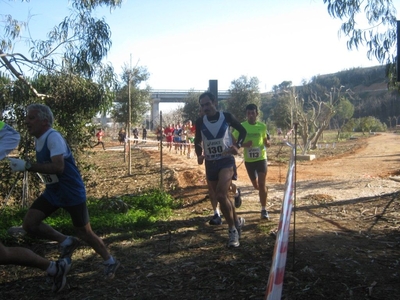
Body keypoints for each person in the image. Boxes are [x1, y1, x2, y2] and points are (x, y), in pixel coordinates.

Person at [8, 104, 120, 279]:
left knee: (85, 232)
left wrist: (28, 166)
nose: (26, 121)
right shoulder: (39, 138)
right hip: (53, 192)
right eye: (27, 117)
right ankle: (66, 241)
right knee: (29, 224)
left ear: (45, 121)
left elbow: (58, 167)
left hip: (71, 192)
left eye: (31, 118)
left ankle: (110, 260)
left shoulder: (53, 137)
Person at [0, 120, 71, 293]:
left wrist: (27, 166)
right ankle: (54, 268)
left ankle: (54, 266)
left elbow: (11, 134)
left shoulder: (53, 137)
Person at [194, 92, 247, 247]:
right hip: (210, 162)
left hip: (226, 160)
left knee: (220, 194)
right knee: (224, 198)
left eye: (207, 104)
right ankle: (237, 221)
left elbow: (242, 131)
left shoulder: (227, 117)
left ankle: (232, 232)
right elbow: (197, 140)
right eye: (202, 105)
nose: (205, 108)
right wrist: (199, 154)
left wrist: (237, 146)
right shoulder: (200, 121)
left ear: (214, 102)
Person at [233, 103, 271, 219]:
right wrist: (244, 144)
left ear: (256, 114)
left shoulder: (262, 126)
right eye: (248, 113)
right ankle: (261, 191)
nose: (250, 115)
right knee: (256, 186)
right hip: (249, 161)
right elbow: (234, 142)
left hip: (261, 159)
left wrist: (268, 143)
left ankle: (264, 210)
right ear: (246, 114)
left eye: (252, 113)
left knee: (261, 183)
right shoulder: (241, 126)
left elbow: (265, 141)